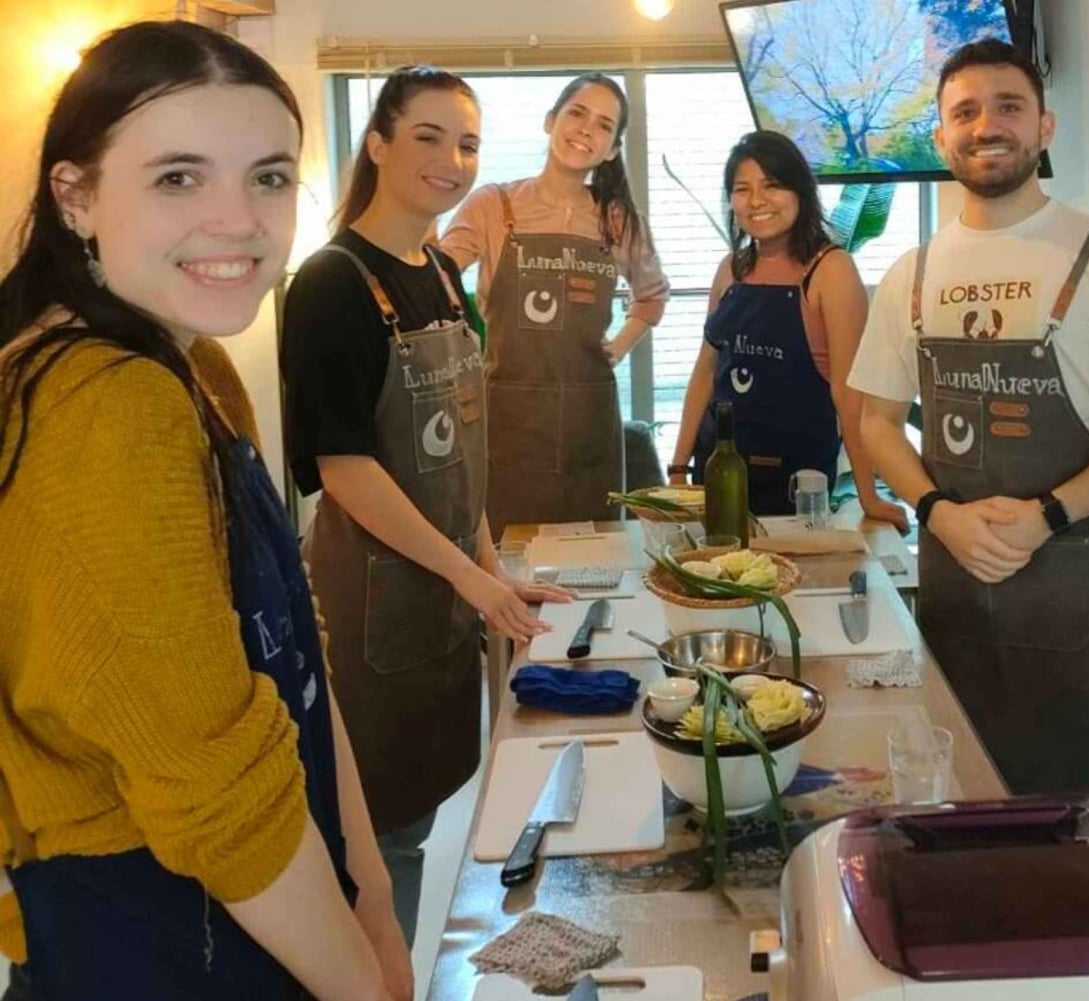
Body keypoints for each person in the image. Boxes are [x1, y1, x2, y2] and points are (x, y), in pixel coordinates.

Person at [0, 21, 406, 1001]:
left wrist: (373, 889)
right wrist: (361, 975)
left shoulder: (199, 370)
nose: (240, 221)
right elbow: (219, 790)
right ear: (76, 195)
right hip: (168, 940)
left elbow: (295, 657)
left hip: (276, 902)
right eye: (179, 177)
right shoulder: (106, 408)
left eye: (269, 178)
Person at [281, 67, 569, 947]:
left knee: (417, 823)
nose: (452, 159)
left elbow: (459, 462)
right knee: (376, 841)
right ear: (377, 143)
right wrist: (470, 581)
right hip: (368, 615)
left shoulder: (442, 272)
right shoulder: (331, 282)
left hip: (441, 604)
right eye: (428, 136)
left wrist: (492, 573)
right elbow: (346, 470)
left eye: (468, 143)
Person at [852, 39, 1089, 797]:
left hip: (1072, 594)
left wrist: (1046, 515)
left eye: (1008, 107)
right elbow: (876, 423)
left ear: (1044, 126)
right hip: (952, 587)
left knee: (1078, 821)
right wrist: (938, 512)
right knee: (956, 798)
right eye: (965, 112)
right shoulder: (911, 275)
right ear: (941, 137)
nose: (986, 126)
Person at [441, 73, 669, 537]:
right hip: (508, 424)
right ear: (550, 121)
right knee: (509, 556)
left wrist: (619, 347)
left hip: (591, 427)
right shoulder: (494, 206)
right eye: (577, 113)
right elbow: (434, 279)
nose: (586, 129)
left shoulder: (619, 221)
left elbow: (651, 297)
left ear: (612, 149)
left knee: (595, 557)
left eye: (604, 125)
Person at [666, 130, 908, 529]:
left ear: (800, 191)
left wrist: (869, 495)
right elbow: (706, 372)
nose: (756, 200)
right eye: (742, 189)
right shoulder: (731, 268)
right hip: (719, 470)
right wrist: (678, 469)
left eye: (772, 185)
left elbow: (849, 393)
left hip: (799, 482)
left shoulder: (830, 270)